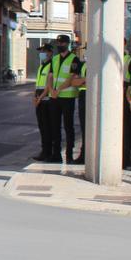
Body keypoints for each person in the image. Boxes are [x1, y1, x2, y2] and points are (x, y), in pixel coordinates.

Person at [45, 34, 83, 163]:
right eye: (58, 43)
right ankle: (56, 155)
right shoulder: (54, 59)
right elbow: (50, 76)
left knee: (68, 127)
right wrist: (51, 90)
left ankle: (69, 155)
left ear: (67, 44)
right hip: (54, 97)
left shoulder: (74, 59)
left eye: (62, 43)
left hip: (67, 97)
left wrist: (58, 90)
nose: (59, 45)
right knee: (54, 126)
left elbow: (72, 78)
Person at [32, 43, 54, 161]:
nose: (42, 54)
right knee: (42, 127)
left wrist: (39, 98)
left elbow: (48, 85)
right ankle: (44, 151)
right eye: (41, 51)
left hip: (47, 101)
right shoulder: (42, 66)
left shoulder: (52, 65)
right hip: (40, 101)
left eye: (44, 51)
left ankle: (48, 152)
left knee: (47, 127)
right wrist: (34, 97)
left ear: (50, 52)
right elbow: (38, 84)